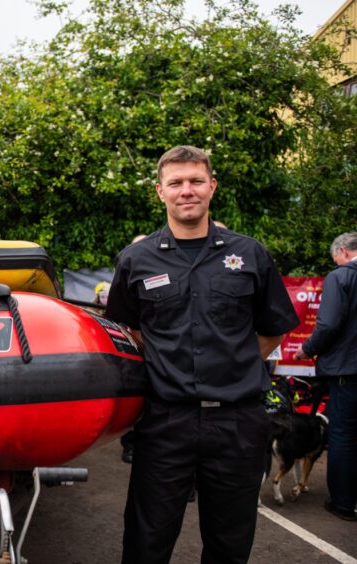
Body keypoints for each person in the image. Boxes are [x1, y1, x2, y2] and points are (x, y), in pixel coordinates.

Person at [105, 145, 299, 563]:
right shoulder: (136, 259)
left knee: (230, 543)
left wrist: (236, 363)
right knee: (146, 541)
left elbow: (273, 326)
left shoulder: (249, 253)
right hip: (165, 422)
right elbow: (129, 329)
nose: (186, 190)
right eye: (176, 183)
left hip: (237, 423)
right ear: (161, 192)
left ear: (212, 187)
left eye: (195, 181)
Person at [295, 232, 357, 521]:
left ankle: (343, 503)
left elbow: (329, 323)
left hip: (348, 370)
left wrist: (307, 349)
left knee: (343, 434)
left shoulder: (341, 277)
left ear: (343, 251)